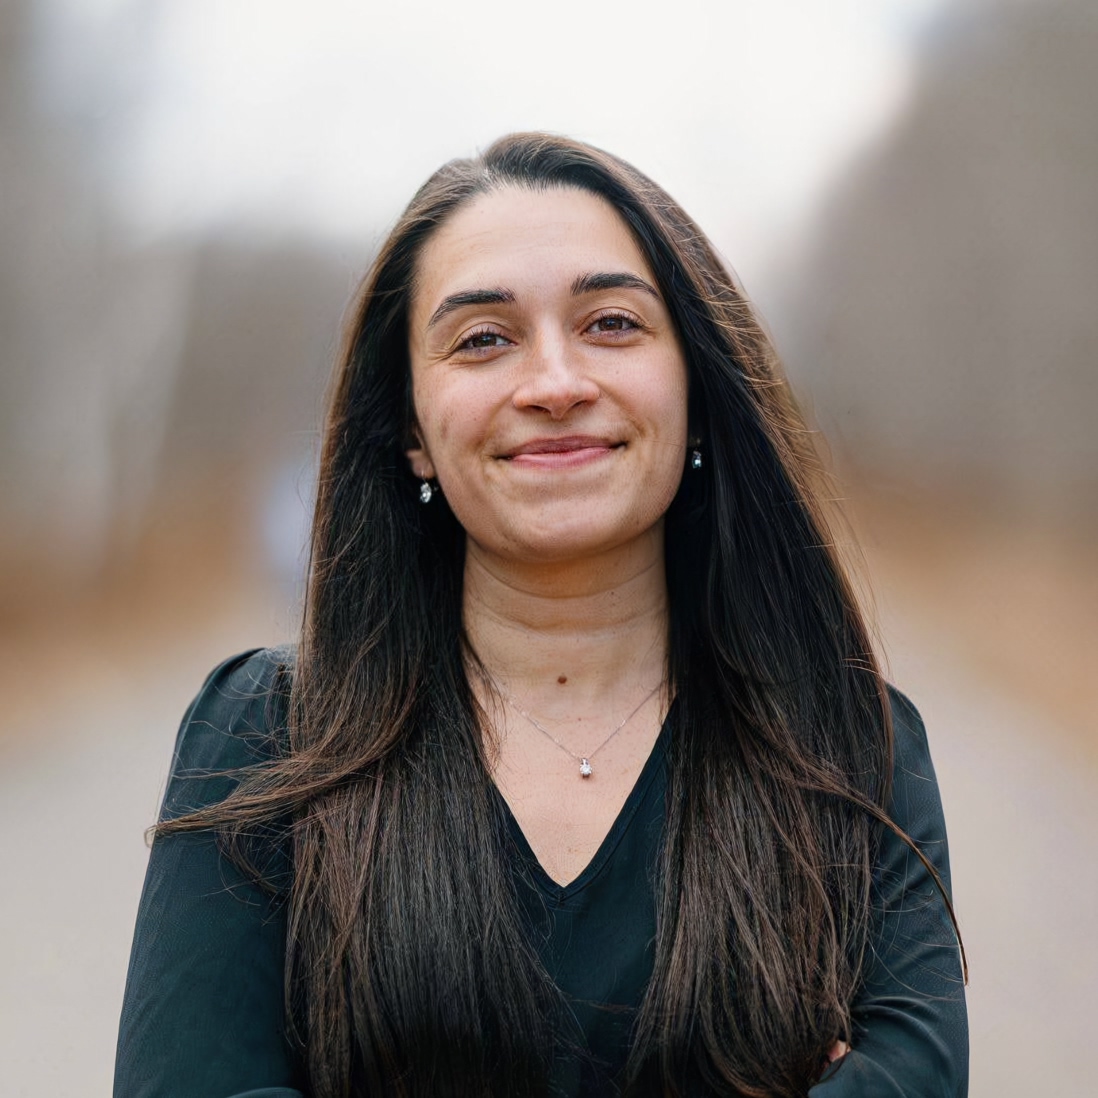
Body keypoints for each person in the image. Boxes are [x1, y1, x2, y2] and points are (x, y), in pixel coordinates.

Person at [114, 133, 968, 1098]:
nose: (556, 383)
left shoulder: (852, 743)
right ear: (410, 430)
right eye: (483, 338)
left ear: (694, 387)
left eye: (611, 323)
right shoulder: (268, 733)